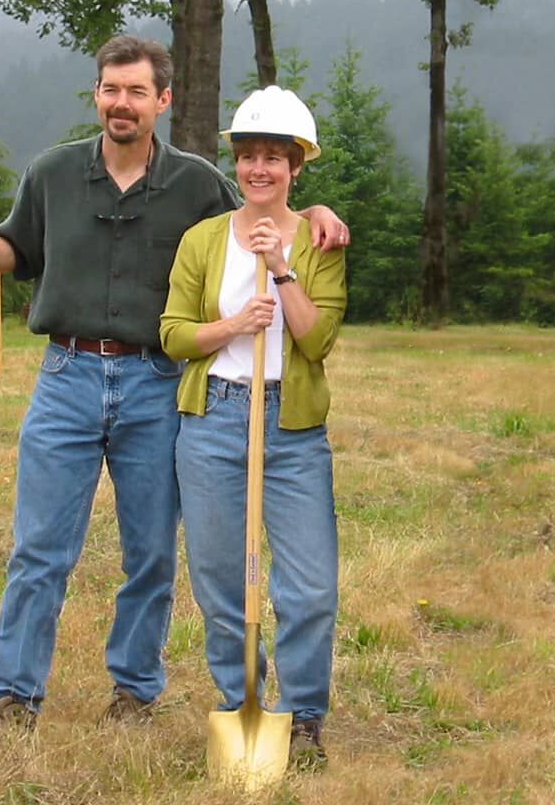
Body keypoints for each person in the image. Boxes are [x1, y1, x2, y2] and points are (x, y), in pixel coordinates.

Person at [0, 36, 348, 728]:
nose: (121, 103)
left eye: (136, 91)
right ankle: (16, 693)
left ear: (162, 101)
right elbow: (18, 250)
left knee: (152, 552)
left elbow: (258, 206)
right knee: (39, 546)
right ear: (97, 95)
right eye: (110, 89)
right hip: (66, 375)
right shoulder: (52, 173)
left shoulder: (195, 182)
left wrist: (314, 216)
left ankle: (134, 689)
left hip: (155, 382)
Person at [159, 85, 345, 767]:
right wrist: (235, 324)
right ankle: (241, 704)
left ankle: (302, 718)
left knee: (310, 585)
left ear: (297, 167)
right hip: (213, 421)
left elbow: (316, 341)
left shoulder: (322, 240)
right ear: (235, 164)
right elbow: (174, 336)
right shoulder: (202, 241)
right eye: (249, 156)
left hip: (291, 426)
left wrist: (282, 270)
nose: (260, 169)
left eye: (275, 157)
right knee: (219, 580)